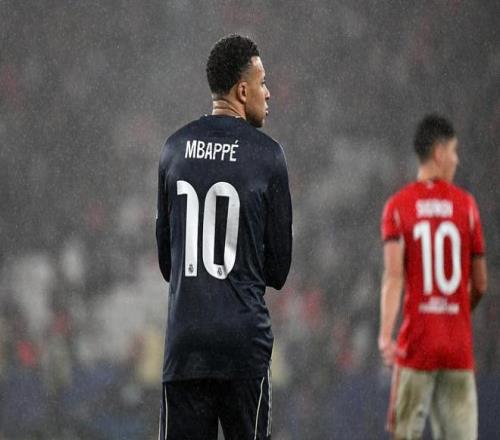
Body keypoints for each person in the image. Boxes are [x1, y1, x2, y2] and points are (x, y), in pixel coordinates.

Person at [155, 34, 292, 440]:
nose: (268, 93)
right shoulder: (268, 156)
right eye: (263, 83)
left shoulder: (174, 149)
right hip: (242, 343)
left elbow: (167, 262)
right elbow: (279, 269)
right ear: (242, 90)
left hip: (187, 344)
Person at [378, 114, 487, 439]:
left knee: (404, 434)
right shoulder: (467, 207)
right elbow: (481, 283)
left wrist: (385, 335)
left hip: (417, 346)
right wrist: (456, 312)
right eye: (453, 151)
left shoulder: (399, 206)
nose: (456, 160)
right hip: (457, 349)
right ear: (439, 152)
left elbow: (394, 277)